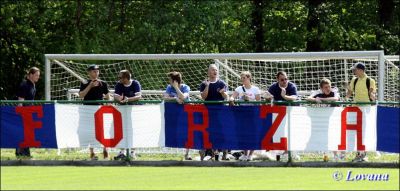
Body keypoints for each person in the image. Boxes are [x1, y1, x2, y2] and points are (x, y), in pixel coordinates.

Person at [306, 78, 344, 161]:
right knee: (324, 136)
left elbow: (335, 99)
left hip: (335, 118)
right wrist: (315, 99)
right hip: (323, 120)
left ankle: (339, 155)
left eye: (329, 86)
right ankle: (327, 155)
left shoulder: (334, 91)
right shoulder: (317, 93)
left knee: (335, 136)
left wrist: (322, 100)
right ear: (321, 88)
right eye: (325, 87)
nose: (328, 89)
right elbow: (308, 98)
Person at [345, 62, 376, 162]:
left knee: (363, 132)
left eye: (355, 69)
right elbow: (349, 93)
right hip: (355, 109)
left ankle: (362, 154)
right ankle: (359, 153)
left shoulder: (370, 80)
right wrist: (345, 96)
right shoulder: (354, 80)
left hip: (366, 109)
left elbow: (372, 94)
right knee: (354, 132)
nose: (354, 71)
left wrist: (372, 96)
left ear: (361, 70)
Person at [79, 64, 110, 160]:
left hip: (99, 110)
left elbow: (108, 96)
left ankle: (105, 150)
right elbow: (81, 95)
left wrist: (106, 99)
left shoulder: (103, 83)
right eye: (94, 71)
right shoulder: (85, 83)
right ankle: (92, 153)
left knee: (102, 131)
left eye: (97, 71)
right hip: (87, 111)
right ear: (89, 73)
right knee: (90, 131)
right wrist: (90, 86)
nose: (96, 73)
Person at [199, 64, 229, 161]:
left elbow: (226, 97)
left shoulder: (222, 83)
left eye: (216, 70)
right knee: (208, 132)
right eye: (212, 70)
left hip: (220, 112)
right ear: (208, 72)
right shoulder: (204, 84)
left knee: (221, 132)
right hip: (208, 112)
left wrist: (222, 92)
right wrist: (208, 86)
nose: (215, 71)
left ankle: (224, 153)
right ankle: (208, 152)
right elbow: (203, 97)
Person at [229, 71, 261, 161]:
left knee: (252, 134)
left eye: (244, 78)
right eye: (241, 78)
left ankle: (251, 154)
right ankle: (245, 154)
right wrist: (231, 99)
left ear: (249, 78)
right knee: (243, 134)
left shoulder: (255, 89)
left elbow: (259, 103)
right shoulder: (239, 88)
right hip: (242, 114)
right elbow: (232, 97)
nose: (242, 80)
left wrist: (249, 99)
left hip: (252, 114)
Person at [268, 71, 298, 161]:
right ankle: (283, 152)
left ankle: (291, 152)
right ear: (277, 80)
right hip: (279, 114)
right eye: (282, 79)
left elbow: (294, 97)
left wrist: (284, 97)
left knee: (292, 132)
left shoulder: (291, 86)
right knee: (281, 133)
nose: (285, 81)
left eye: (286, 79)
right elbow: (267, 95)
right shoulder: (273, 87)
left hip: (292, 113)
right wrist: (267, 96)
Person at [163, 71, 192, 160]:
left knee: (187, 132)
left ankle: (187, 154)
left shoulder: (186, 87)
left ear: (175, 81)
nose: (169, 81)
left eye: (170, 80)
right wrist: (175, 98)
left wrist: (176, 87)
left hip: (186, 113)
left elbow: (183, 97)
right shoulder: (169, 87)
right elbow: (165, 97)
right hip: (174, 114)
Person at [114, 69, 141, 159]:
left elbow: (138, 96)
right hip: (122, 111)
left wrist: (128, 99)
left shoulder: (135, 83)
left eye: (120, 77)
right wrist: (119, 99)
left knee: (134, 131)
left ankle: (133, 152)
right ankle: (122, 151)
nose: (118, 79)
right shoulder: (119, 84)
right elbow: (115, 95)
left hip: (134, 111)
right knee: (122, 130)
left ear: (126, 78)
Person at [15, 67, 40, 159]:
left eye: (38, 75)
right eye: (36, 75)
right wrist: (21, 114)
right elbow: (20, 102)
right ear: (30, 75)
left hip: (29, 113)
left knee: (27, 134)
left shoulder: (33, 85)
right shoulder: (24, 85)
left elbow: (31, 101)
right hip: (23, 113)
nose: (38, 77)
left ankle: (24, 153)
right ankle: (21, 153)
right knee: (23, 133)